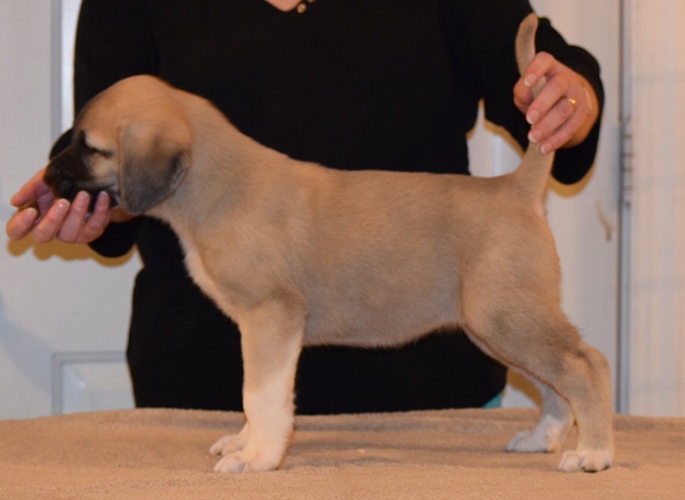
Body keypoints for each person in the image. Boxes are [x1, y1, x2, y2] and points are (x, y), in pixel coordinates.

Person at [6, 0, 603, 414]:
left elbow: (551, 76)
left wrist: (571, 100)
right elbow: (108, 149)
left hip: (428, 393)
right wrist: (91, 201)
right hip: (201, 394)